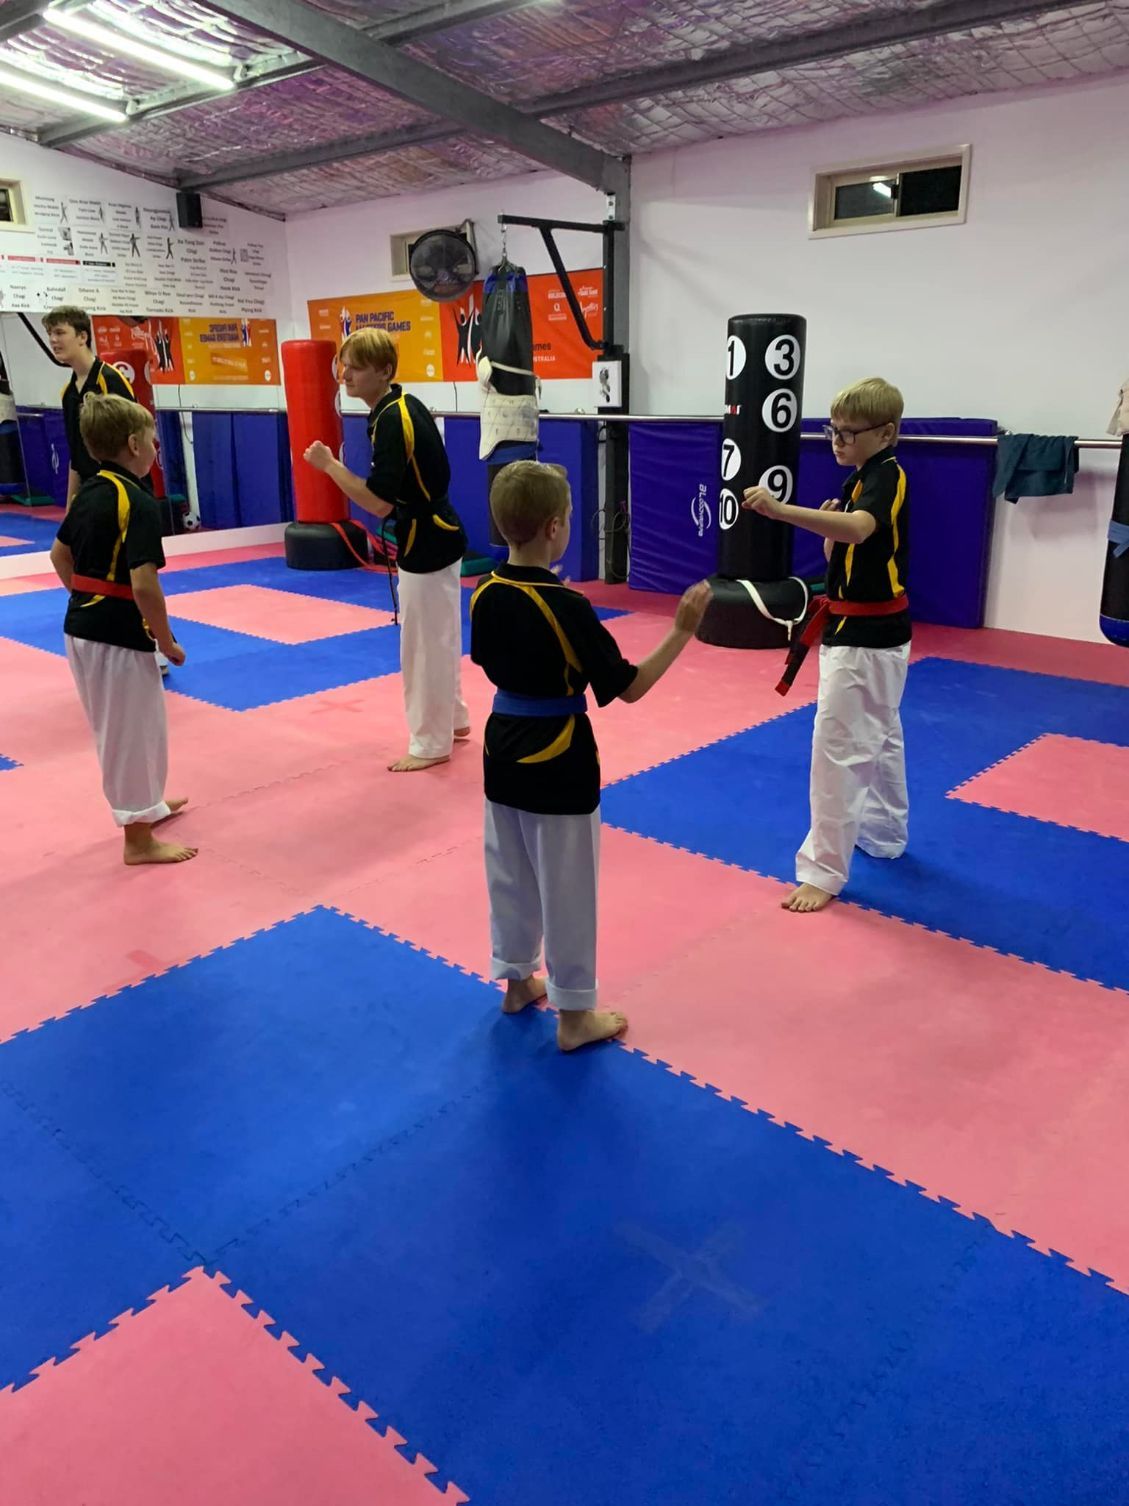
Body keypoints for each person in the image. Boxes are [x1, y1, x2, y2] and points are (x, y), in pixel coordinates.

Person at [471, 461, 711, 1050]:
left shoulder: (484, 592)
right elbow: (627, 687)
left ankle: (517, 981)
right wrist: (681, 631)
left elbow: (487, 664)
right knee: (568, 887)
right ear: (555, 527)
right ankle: (575, 1014)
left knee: (511, 874)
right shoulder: (567, 605)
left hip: (501, 751)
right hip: (560, 761)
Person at [743, 376, 910, 914]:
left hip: (866, 639)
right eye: (831, 431)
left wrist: (780, 509)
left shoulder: (885, 475)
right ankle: (884, 832)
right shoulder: (864, 477)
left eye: (847, 433)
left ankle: (822, 872)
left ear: (885, 433)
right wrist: (827, 526)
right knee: (880, 736)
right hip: (869, 634)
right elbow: (852, 539)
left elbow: (860, 530)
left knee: (838, 749)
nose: (836, 441)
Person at [303, 328, 470, 773]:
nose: (345, 375)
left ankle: (430, 742)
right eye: (343, 365)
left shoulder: (394, 418)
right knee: (440, 636)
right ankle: (452, 719)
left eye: (355, 366)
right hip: (436, 533)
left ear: (384, 371)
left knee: (422, 645)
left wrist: (330, 467)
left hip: (428, 539)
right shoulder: (396, 408)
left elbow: (378, 501)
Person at [49, 394, 194, 867]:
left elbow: (59, 556)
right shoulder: (137, 499)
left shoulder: (90, 490)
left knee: (142, 725)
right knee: (128, 733)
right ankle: (138, 840)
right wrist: (166, 638)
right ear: (134, 444)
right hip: (115, 633)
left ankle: (148, 806)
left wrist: (87, 599)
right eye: (152, 438)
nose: (156, 446)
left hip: (84, 628)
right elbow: (144, 583)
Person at [43, 305, 170, 676]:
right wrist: (71, 503)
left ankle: (151, 641)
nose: (54, 341)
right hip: (91, 493)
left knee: (137, 573)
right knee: (75, 560)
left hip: (122, 490)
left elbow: (136, 439)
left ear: (83, 335)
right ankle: (99, 622)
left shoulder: (111, 380)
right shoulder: (69, 392)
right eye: (51, 335)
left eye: (60, 333)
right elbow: (74, 453)